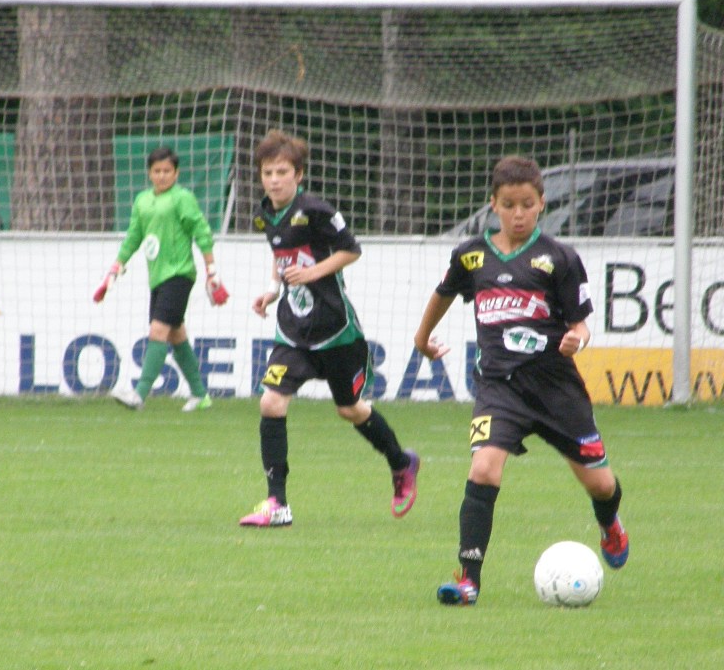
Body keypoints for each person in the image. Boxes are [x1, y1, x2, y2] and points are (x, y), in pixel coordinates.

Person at [413, 154, 628, 606]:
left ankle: (609, 524)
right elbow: (444, 292)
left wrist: (577, 339)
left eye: (527, 205)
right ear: (493, 204)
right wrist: (422, 337)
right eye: (509, 205)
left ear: (541, 204)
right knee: (483, 468)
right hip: (500, 388)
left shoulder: (559, 258)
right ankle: (468, 580)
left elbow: (581, 323)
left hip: (556, 390)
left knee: (601, 485)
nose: (518, 214)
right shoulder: (471, 254)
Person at [239, 130, 419, 528]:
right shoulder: (265, 212)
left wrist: (312, 273)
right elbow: (280, 254)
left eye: (282, 172)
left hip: (335, 329)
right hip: (293, 329)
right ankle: (277, 503)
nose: (274, 180)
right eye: (267, 172)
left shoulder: (316, 210)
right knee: (271, 402)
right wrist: (273, 290)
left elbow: (351, 250)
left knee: (349, 409)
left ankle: (401, 463)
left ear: (298, 174)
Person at [94, 146, 228, 411]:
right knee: (176, 335)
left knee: (158, 330)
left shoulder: (182, 198)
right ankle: (200, 395)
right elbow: (134, 236)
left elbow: (201, 231)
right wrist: (117, 266)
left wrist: (211, 269)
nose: (162, 175)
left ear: (176, 173)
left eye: (167, 171)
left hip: (179, 274)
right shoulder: (142, 201)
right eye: (157, 171)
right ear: (149, 173)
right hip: (157, 277)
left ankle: (139, 394)